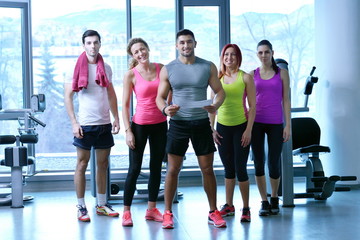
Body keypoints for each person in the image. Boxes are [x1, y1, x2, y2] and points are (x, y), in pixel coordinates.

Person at [156, 29, 226, 229]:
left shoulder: (207, 66)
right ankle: (168, 213)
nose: (186, 46)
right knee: (172, 170)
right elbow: (159, 97)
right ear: (177, 46)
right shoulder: (168, 69)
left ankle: (213, 211)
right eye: (182, 43)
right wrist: (165, 109)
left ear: (195, 43)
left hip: (201, 123)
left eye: (189, 42)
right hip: (178, 123)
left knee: (207, 169)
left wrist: (215, 105)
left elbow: (220, 92)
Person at [64, 29, 120, 222]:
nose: (92, 46)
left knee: (103, 165)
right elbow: (68, 97)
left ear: (100, 44)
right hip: (85, 125)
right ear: (83, 45)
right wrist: (74, 122)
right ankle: (81, 206)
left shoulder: (107, 68)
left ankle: (102, 204)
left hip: (104, 123)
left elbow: (111, 94)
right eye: (89, 43)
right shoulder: (75, 68)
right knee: (81, 164)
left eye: (95, 42)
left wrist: (117, 118)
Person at [121, 38, 168, 227]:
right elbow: (124, 105)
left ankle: (151, 209)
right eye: (136, 52)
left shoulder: (161, 68)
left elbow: (168, 93)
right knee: (134, 169)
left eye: (142, 49)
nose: (141, 54)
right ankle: (126, 212)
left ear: (148, 49)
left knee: (156, 167)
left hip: (160, 124)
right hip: (139, 125)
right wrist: (128, 131)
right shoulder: (130, 75)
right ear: (133, 56)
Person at [209, 44, 256, 222]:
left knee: (241, 169)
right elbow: (212, 107)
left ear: (238, 57)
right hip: (222, 128)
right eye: (226, 55)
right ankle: (228, 205)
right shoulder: (217, 78)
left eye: (233, 55)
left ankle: (246, 208)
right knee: (228, 169)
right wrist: (211, 129)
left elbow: (252, 107)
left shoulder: (246, 78)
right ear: (222, 58)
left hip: (241, 128)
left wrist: (249, 131)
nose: (229, 58)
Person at [250, 39, 291, 216]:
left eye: (267, 52)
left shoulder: (282, 73)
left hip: (276, 123)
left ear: (272, 53)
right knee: (259, 163)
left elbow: (286, 100)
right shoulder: (252, 74)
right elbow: (248, 100)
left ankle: (274, 197)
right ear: (257, 54)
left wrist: (287, 124)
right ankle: (264, 201)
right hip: (256, 123)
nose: (264, 55)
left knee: (274, 163)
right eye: (260, 52)